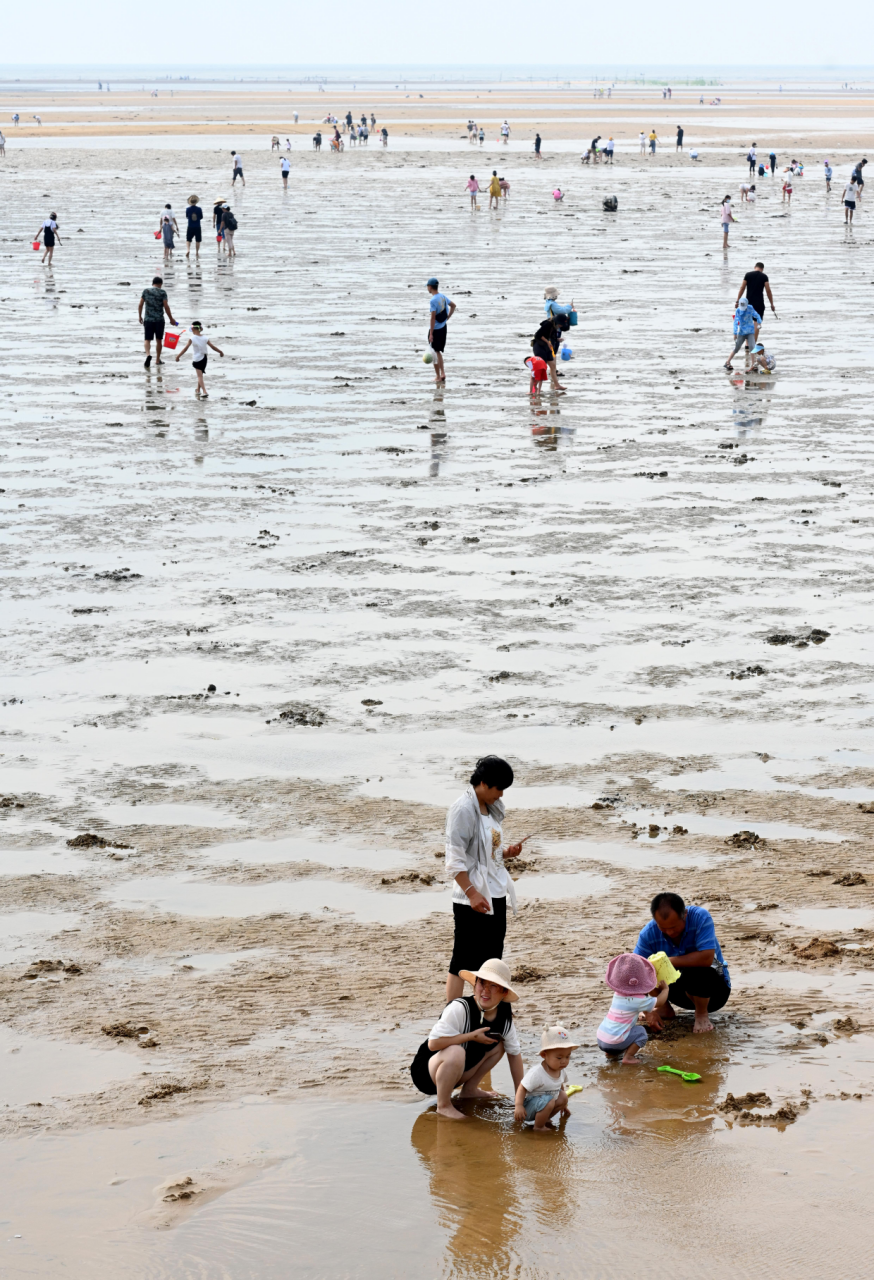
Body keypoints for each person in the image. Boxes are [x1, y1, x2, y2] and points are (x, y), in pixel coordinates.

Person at [444, 755, 526, 1001]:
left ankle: (484, 1011)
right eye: (499, 788)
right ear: (483, 782)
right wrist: (471, 893)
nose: (501, 795)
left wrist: (506, 854)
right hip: (473, 897)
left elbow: (488, 852)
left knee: (491, 960)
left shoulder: (491, 808)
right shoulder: (462, 810)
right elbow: (454, 860)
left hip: (496, 892)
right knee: (463, 959)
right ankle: (452, 1015)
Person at [409, 959, 525, 1121]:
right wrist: (470, 1036)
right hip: (427, 1072)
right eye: (482, 983)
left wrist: (521, 1100)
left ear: (504, 992)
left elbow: (514, 1054)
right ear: (474, 985)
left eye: (493, 986)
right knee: (456, 1051)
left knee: (499, 1045)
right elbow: (433, 1044)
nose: (485, 990)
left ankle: (469, 1090)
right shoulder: (459, 1008)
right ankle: (444, 1106)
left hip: (457, 1070)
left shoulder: (504, 1017)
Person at [633, 892, 731, 1033]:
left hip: (714, 991)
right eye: (663, 928)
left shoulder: (701, 918)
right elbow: (635, 971)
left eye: (673, 927)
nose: (670, 932)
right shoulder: (648, 933)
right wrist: (647, 1009)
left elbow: (707, 958)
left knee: (697, 969)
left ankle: (701, 1014)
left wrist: (667, 961)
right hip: (676, 993)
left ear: (684, 915)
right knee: (647, 967)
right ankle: (663, 1009)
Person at [596, 954, 670, 1064]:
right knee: (640, 1032)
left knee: (621, 1026)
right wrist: (665, 990)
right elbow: (659, 1003)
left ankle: (610, 1053)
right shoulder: (638, 1000)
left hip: (601, 1039)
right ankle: (628, 1057)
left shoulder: (617, 994)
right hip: (615, 1042)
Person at [515, 1027, 577, 1128]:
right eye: (559, 1058)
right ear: (544, 1055)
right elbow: (522, 1087)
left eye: (567, 1056)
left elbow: (559, 1086)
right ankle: (538, 1127)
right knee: (549, 1100)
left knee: (563, 1096)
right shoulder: (537, 1073)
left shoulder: (561, 1070)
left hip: (545, 1104)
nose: (564, 1061)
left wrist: (564, 1105)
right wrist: (518, 1106)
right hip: (528, 1109)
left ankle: (544, 1119)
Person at [175, 320, 224, 398]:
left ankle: (204, 391)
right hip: (204, 359)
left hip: (197, 359)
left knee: (199, 376)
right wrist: (220, 351)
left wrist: (178, 356)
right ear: (200, 328)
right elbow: (212, 347)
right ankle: (198, 390)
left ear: (193, 329)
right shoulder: (205, 338)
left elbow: (185, 348)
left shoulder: (192, 338)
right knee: (200, 375)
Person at [138, 274, 177, 368]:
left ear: (152, 283)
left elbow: (140, 305)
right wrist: (171, 319)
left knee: (147, 339)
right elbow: (166, 306)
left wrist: (140, 316)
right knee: (158, 340)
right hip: (159, 320)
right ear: (160, 284)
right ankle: (157, 360)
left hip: (148, 319)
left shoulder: (146, 291)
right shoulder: (163, 292)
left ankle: (148, 355)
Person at [427, 277, 456, 386]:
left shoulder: (433, 300)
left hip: (436, 330)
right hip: (444, 328)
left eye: (427, 286)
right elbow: (453, 305)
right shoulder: (442, 296)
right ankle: (442, 373)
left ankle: (438, 376)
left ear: (430, 287)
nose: (427, 288)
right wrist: (447, 317)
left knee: (434, 352)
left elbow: (433, 318)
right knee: (438, 351)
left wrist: (431, 334)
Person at [724, 296, 760, 370]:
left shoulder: (750, 308)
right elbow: (735, 323)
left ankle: (753, 365)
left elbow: (756, 315)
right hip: (742, 332)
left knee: (752, 348)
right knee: (737, 347)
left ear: (747, 304)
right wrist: (735, 333)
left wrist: (759, 322)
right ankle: (727, 362)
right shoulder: (738, 311)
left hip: (750, 331)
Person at [185, 195, 203, 259]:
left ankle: (188, 250)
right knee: (198, 240)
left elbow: (187, 216)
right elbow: (201, 217)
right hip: (197, 226)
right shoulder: (199, 209)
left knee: (188, 240)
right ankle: (197, 252)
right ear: (196, 202)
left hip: (190, 226)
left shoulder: (187, 209)